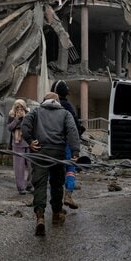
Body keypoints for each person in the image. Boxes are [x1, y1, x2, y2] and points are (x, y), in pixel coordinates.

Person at [21, 92, 80, 236]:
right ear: (57, 101)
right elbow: (72, 131)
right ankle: (56, 215)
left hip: (40, 152)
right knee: (57, 185)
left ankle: (40, 217)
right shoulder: (65, 113)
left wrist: (30, 141)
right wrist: (75, 151)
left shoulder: (36, 111)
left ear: (44, 101)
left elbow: (25, 124)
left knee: (40, 184)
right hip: (58, 154)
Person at [51, 79, 85, 209]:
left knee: (54, 172)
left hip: (51, 144)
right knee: (70, 167)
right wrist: (79, 133)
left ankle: (56, 207)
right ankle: (68, 195)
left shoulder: (44, 106)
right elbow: (74, 126)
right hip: (66, 143)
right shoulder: (67, 106)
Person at [7, 99, 32, 195]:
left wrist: (24, 117)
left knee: (31, 166)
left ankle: (30, 185)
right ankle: (21, 187)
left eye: (21, 107)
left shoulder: (29, 114)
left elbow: (31, 126)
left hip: (29, 142)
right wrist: (17, 119)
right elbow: (9, 128)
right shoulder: (12, 115)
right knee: (19, 167)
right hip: (17, 143)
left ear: (24, 107)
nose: (19, 109)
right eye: (17, 107)